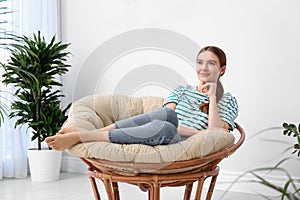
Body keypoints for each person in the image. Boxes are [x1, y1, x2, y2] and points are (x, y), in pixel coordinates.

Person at [45, 46, 238, 151]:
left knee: (167, 127)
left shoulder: (228, 101)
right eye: (200, 62)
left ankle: (81, 135)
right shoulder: (181, 90)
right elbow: (166, 115)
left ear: (222, 70)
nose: (203, 68)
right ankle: (94, 131)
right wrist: (182, 128)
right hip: (163, 129)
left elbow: (215, 133)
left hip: (184, 141)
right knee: (166, 117)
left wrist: (212, 97)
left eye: (211, 63)